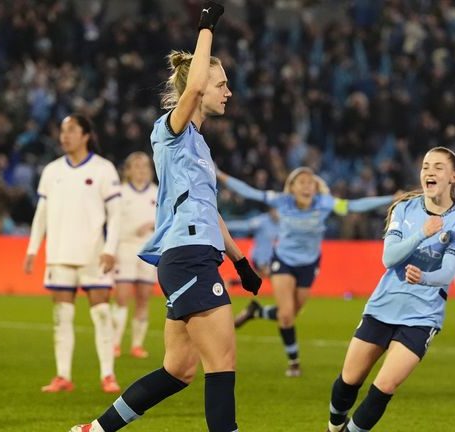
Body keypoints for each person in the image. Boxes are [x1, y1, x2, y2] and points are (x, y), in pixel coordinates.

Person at [70, 3, 261, 431]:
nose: (228, 92)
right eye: (222, 84)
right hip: (189, 257)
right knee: (222, 362)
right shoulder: (169, 132)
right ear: (199, 86)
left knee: (178, 370)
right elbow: (191, 90)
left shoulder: (198, 146)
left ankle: (95, 430)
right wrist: (206, 28)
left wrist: (240, 261)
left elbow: (207, 210)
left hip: (193, 256)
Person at [323, 147, 455, 432]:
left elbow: (447, 273)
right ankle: (333, 427)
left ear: (453, 176)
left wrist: (424, 279)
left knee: (384, 387)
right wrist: (422, 233)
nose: (430, 171)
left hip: (422, 316)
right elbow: (389, 258)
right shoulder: (405, 209)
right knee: (349, 381)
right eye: (426, 165)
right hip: (383, 306)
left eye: (439, 167)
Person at [218, 168, 393, 376]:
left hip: (309, 264)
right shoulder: (282, 201)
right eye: (301, 182)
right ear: (291, 187)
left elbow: (355, 205)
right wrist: (220, 174)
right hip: (283, 261)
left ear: (316, 187)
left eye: (310, 182)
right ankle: (294, 362)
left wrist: (391, 198)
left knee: (291, 312)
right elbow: (250, 192)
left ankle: (256, 312)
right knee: (286, 316)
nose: (306, 186)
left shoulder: (325, 203)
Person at [23, 114, 122, 394]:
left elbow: (116, 215)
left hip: (93, 255)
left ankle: (107, 375)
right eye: (62, 130)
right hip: (59, 254)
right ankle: (63, 376)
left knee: (102, 314)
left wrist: (109, 249)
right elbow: (41, 214)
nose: (64, 136)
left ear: (86, 135)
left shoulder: (104, 169)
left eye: (71, 130)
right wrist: (33, 249)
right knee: (61, 317)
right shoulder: (52, 171)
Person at [110, 152, 158, 359]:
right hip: (125, 248)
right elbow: (111, 222)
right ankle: (114, 343)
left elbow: (170, 220)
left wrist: (154, 225)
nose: (141, 170)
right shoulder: (119, 193)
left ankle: (137, 344)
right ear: (128, 170)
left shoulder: (158, 193)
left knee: (143, 297)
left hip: (149, 249)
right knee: (121, 296)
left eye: (145, 166)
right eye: (137, 166)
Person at [224, 209, 279, 278]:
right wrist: (223, 225)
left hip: (278, 261)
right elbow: (243, 225)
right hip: (261, 260)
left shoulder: (286, 223)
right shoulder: (262, 221)